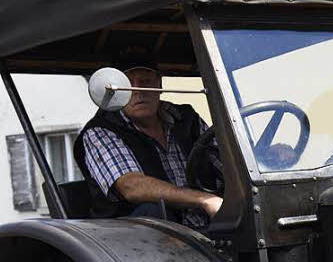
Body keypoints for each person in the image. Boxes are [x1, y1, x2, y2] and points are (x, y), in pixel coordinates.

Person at [74, 48, 223, 228]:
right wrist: (204, 199)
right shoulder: (100, 130)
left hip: (208, 226)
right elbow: (131, 186)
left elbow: (224, 164)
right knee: (151, 212)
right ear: (115, 92)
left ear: (158, 85)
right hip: (139, 241)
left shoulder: (186, 118)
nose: (138, 91)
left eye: (145, 82)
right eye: (128, 84)